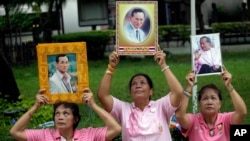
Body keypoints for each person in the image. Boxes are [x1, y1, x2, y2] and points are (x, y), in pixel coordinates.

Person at [97, 48, 184, 140]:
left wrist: (163, 65)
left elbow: (178, 92)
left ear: (151, 91)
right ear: (131, 92)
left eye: (142, 83)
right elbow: (103, 96)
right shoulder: (124, 109)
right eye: (134, 84)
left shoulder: (160, 106)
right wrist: (111, 67)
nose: (138, 86)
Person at [10, 88, 122, 141]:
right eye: (57, 114)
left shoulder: (89, 135)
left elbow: (116, 129)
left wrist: (93, 105)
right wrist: (35, 107)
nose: (60, 117)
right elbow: (15, 132)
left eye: (66, 113)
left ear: (75, 119)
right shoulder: (45, 135)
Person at [175, 67, 247, 141]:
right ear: (200, 104)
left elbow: (242, 112)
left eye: (213, 98)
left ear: (220, 103)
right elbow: (179, 115)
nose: (209, 102)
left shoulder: (225, 119)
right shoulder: (193, 121)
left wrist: (229, 86)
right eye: (205, 98)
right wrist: (189, 87)